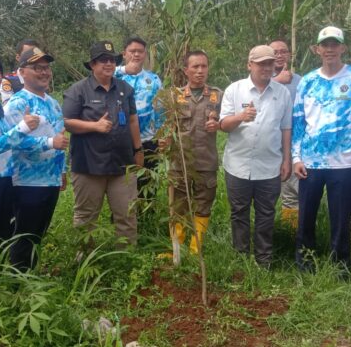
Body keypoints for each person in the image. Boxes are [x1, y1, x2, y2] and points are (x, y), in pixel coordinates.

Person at [0, 55, 60, 265]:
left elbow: (8, 140)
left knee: (3, 236)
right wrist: (24, 128)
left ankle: (5, 285)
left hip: (3, 180)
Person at [292, 26, 351, 275]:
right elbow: (298, 121)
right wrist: (296, 157)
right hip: (311, 162)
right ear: (317, 49)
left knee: (341, 218)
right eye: (324, 45)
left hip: (344, 162)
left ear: (343, 48)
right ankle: (305, 262)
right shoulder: (307, 81)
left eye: (334, 44)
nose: (329, 49)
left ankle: (341, 265)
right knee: (306, 215)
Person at [63, 41, 143, 249]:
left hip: (122, 164)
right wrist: (95, 126)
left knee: (126, 214)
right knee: (86, 217)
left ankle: (125, 258)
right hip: (89, 165)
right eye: (102, 60)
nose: (108, 64)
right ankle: (86, 259)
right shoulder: (78, 90)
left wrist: (138, 150)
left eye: (112, 60)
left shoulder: (125, 89)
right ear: (92, 64)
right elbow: (67, 122)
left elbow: (133, 120)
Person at [219, 45, 293, 267]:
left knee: (266, 215)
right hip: (238, 165)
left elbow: (286, 128)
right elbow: (223, 125)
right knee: (238, 213)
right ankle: (241, 257)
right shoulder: (234, 90)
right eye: (261, 63)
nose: (266, 67)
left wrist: (287, 159)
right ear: (249, 65)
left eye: (269, 63)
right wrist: (241, 116)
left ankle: (264, 260)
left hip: (270, 165)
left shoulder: (283, 94)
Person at [4, 47, 69, 270]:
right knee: (24, 236)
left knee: (38, 234)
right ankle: (17, 283)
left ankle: (30, 277)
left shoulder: (53, 103)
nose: (44, 72)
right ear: (22, 72)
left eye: (46, 67)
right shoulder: (17, 103)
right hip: (26, 182)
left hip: (50, 180)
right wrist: (50, 143)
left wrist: (62, 171)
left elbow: (61, 138)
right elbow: (14, 142)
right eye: (37, 68)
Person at [162, 50, 222, 259]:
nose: (200, 71)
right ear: (186, 70)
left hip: (206, 162)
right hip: (180, 163)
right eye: (195, 67)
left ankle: (196, 250)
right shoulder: (174, 96)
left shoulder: (217, 95)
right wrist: (165, 141)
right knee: (178, 206)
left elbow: (226, 122)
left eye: (204, 66)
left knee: (204, 204)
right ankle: (177, 250)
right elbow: (168, 126)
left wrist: (219, 124)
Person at [114, 37, 163, 211]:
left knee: (148, 183)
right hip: (121, 141)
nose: (136, 54)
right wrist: (123, 69)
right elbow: (96, 74)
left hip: (148, 140)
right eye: (132, 51)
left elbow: (160, 110)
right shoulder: (113, 76)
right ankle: (122, 222)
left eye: (140, 51)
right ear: (124, 53)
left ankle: (147, 222)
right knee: (122, 185)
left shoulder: (153, 79)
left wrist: (161, 136)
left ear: (145, 55)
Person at [269, 39, 303, 230]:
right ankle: (270, 234)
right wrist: (276, 82)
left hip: (293, 147)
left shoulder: (300, 81)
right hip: (268, 148)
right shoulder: (260, 80)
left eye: (284, 51)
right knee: (269, 195)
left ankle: (292, 235)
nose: (280, 55)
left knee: (293, 193)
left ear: (289, 55)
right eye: (275, 52)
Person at [0, 39, 39, 104]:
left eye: (36, 55)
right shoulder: (8, 80)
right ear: (18, 57)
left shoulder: (42, 76)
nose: (32, 59)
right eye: (27, 55)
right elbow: (9, 109)